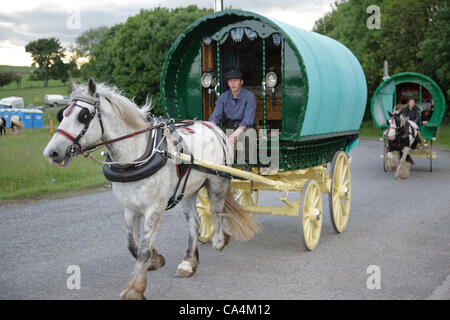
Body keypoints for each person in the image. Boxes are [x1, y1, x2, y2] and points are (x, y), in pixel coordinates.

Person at [208, 69, 256, 144]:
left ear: (241, 82)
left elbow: (248, 120)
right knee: (213, 138)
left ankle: (247, 156)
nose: (233, 83)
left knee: (249, 134)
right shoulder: (223, 97)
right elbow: (215, 115)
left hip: (245, 128)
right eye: (230, 81)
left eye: (236, 80)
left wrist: (235, 134)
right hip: (228, 127)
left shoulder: (250, 96)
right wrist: (212, 126)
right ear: (228, 83)